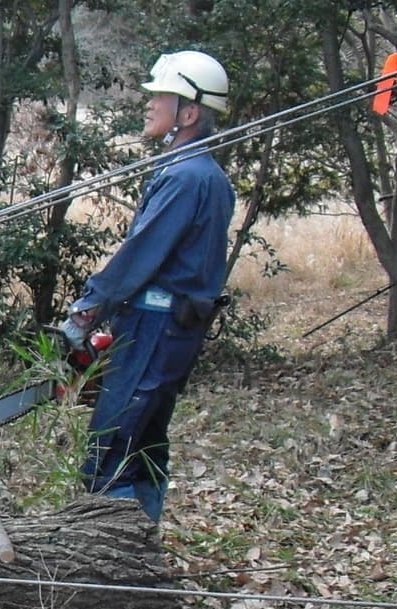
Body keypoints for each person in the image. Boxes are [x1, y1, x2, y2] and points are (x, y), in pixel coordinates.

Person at [61, 50, 235, 523]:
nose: (150, 104)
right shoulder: (202, 174)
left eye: (161, 96)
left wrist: (89, 306)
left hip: (158, 327)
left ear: (190, 112)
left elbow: (140, 254)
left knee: (114, 442)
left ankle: (110, 556)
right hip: (167, 325)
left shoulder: (186, 177)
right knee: (146, 442)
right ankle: (144, 548)